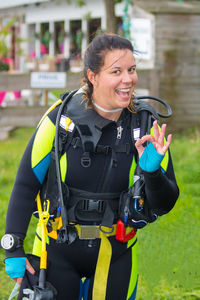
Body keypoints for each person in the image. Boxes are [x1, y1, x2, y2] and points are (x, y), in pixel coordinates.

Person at [1, 33, 179, 300]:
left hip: (116, 252)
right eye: (116, 71)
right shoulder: (59, 119)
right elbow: (26, 185)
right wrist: (13, 248)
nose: (128, 79)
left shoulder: (143, 125)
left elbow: (165, 203)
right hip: (55, 249)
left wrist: (152, 172)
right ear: (92, 76)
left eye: (131, 70)